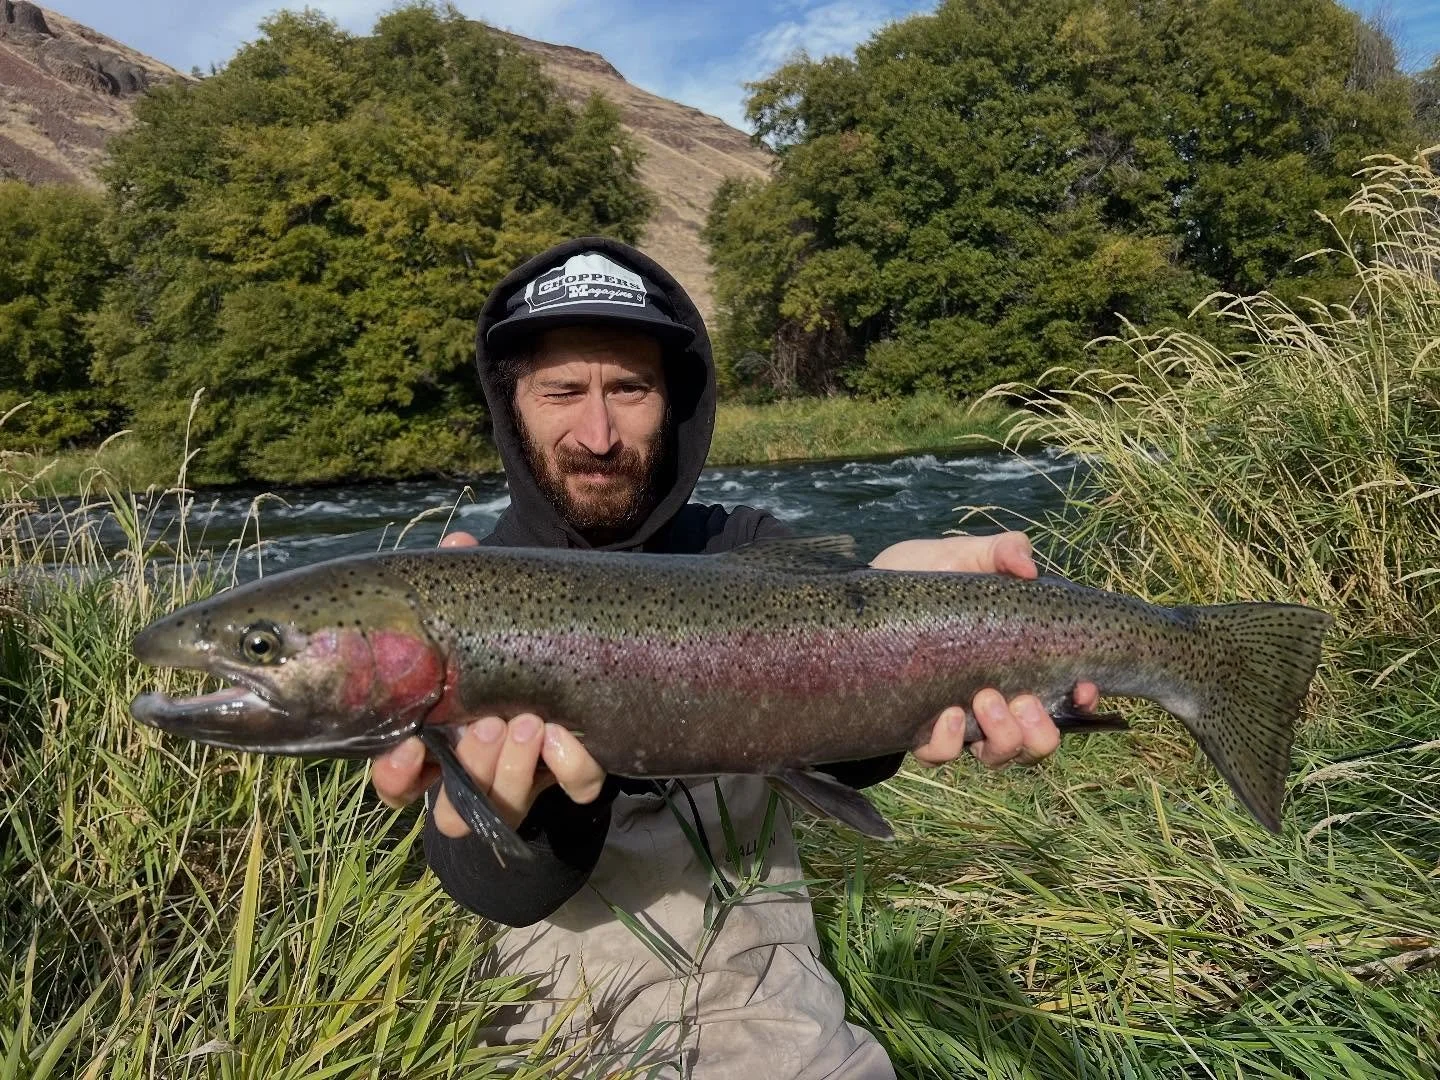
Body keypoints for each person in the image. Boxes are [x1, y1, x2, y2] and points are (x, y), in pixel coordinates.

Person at [370, 238, 1098, 1078]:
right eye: (564, 390)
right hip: (562, 1024)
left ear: (673, 403)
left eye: (630, 390)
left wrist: (925, 637)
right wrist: (522, 816)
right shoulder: (468, 594)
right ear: (512, 405)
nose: (598, 433)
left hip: (780, 1012)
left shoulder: (745, 545)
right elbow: (496, 892)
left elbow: (850, 737)